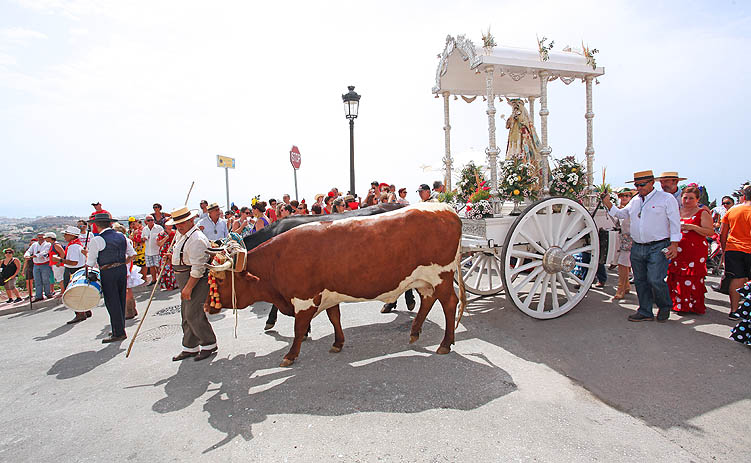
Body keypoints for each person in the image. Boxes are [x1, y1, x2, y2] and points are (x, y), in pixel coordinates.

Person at [603, 170, 681, 322]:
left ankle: (664, 305)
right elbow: (621, 214)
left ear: (652, 182)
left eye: (642, 185)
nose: (639, 188)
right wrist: (607, 202)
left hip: (659, 245)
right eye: (637, 185)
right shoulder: (635, 201)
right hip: (638, 245)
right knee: (640, 280)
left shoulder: (666, 199)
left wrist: (674, 244)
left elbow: (674, 222)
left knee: (655, 279)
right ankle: (645, 310)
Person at [165, 206, 218, 362]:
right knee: (186, 314)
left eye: (182, 223)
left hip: (196, 280)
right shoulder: (181, 235)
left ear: (191, 220)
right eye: (177, 223)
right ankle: (190, 347)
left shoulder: (196, 239)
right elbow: (184, 254)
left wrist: (188, 287)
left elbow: (198, 268)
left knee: (193, 314)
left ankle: (209, 343)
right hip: (184, 277)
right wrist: (172, 258)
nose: (179, 226)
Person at [84, 212, 134, 343]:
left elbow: (90, 262)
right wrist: (123, 263)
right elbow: (131, 254)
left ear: (97, 225)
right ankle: (119, 328)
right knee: (120, 299)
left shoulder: (97, 240)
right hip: (121, 269)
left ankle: (118, 332)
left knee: (112, 302)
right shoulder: (121, 236)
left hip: (108, 271)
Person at [667, 186, 713, 315]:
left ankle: (692, 305)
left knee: (691, 276)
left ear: (697, 199)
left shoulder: (702, 212)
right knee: (676, 275)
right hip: (677, 249)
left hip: (695, 251)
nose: (687, 201)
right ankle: (677, 303)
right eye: (685, 198)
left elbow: (710, 231)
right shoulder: (676, 211)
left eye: (691, 198)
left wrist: (693, 227)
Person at [721, 185, 751, 320]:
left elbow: (723, 233)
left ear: (743, 196)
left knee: (736, 278)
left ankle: (734, 310)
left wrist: (723, 248)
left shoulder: (732, 211)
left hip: (733, 248)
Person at [59, 226, 90, 324]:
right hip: (79, 270)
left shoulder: (73, 247)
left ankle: (80, 313)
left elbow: (73, 262)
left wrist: (60, 260)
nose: (64, 236)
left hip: (73, 271)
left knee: (73, 293)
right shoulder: (78, 245)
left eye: (66, 234)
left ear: (71, 236)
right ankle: (86, 309)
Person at [112, 222, 141, 319]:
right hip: (127, 265)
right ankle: (132, 309)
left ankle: (129, 311)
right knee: (128, 289)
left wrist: (124, 263)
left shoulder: (124, 240)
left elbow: (132, 254)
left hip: (125, 266)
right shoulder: (126, 240)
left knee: (126, 290)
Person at [613, 188, 635, 299]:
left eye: (627, 196)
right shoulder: (617, 209)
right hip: (620, 238)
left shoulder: (632, 208)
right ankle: (625, 286)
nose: (624, 198)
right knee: (622, 263)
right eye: (622, 196)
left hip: (630, 238)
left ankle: (621, 288)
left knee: (623, 263)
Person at [24, 232, 53, 302]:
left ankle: (48, 293)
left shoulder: (47, 244)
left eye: (42, 237)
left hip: (45, 264)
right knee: (37, 280)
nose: (40, 239)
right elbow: (29, 251)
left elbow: (45, 252)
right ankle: (39, 296)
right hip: (36, 265)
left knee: (45, 279)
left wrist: (35, 255)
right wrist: (27, 255)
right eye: (39, 237)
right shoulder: (34, 245)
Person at [142, 215, 164, 286]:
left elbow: (163, 237)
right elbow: (142, 238)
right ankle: (154, 279)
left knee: (158, 266)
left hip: (157, 250)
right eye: (149, 220)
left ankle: (160, 279)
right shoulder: (144, 229)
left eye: (152, 220)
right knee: (151, 266)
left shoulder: (159, 228)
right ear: (146, 222)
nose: (151, 221)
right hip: (148, 251)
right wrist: (144, 238)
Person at [157, 223, 177, 291]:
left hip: (173, 251)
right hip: (164, 251)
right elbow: (159, 244)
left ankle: (174, 284)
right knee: (165, 269)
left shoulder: (175, 232)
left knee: (173, 268)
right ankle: (167, 285)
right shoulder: (161, 233)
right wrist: (167, 237)